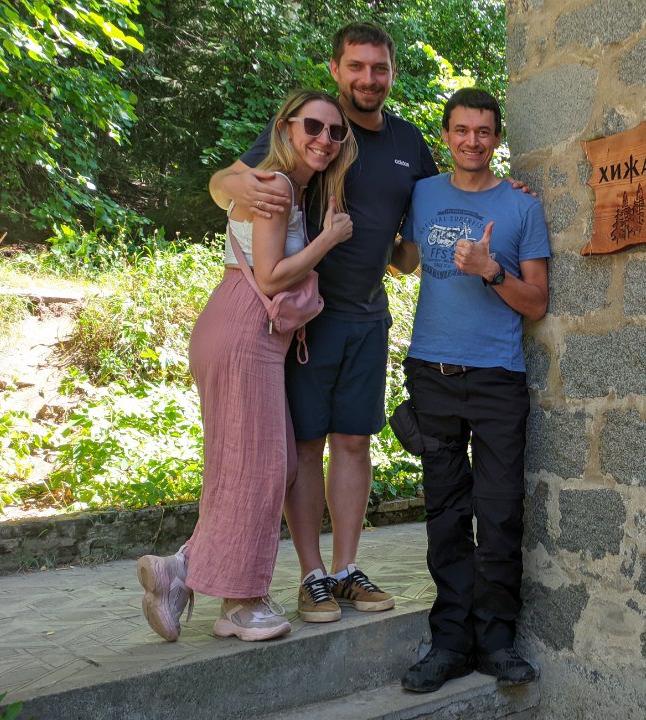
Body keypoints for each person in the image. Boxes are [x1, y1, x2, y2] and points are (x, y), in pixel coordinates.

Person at [208, 22, 436, 622]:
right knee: (305, 446)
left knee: (356, 443)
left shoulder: (411, 144)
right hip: (303, 320)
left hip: (369, 315)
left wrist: (492, 197)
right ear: (336, 70)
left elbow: (421, 233)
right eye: (356, 67)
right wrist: (225, 182)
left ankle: (345, 569)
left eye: (379, 67)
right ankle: (311, 575)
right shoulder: (316, 128)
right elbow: (229, 180)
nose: (369, 79)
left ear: (392, 71)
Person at [137, 89, 357, 642]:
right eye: (313, 126)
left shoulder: (287, 186)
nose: (324, 139)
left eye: (336, 132)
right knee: (258, 468)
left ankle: (181, 571)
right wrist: (328, 240)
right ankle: (240, 603)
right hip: (243, 330)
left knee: (272, 465)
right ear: (285, 127)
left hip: (246, 331)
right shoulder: (278, 185)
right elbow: (269, 276)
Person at [397, 88, 549, 693]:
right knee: (445, 514)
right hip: (431, 373)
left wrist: (490, 270)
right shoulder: (423, 194)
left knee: (500, 511)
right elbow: (403, 257)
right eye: (461, 130)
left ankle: (498, 640)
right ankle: (450, 643)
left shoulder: (520, 207)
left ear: (496, 137)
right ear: (447, 135)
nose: (472, 141)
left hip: (496, 379)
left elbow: (536, 303)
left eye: (483, 131)